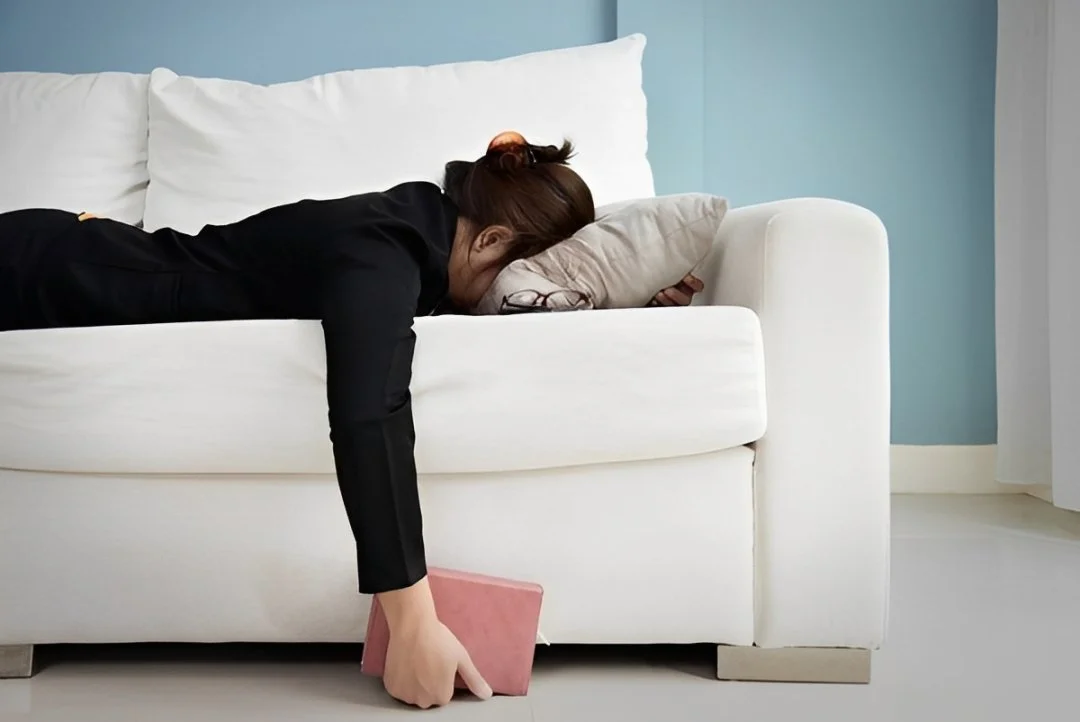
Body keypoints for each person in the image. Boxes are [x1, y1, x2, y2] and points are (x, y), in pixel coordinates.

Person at [0, 131, 704, 708]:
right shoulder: (382, 249)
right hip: (43, 272)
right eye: (516, 278)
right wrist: (414, 623)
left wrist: (632, 320)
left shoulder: (418, 226)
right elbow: (369, 412)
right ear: (489, 241)